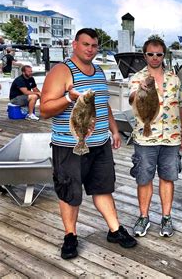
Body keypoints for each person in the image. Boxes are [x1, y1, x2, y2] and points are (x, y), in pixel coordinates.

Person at [40, 28, 136, 260]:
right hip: (69, 145)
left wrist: (114, 131)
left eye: (94, 46)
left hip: (99, 143)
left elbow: (104, 106)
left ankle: (114, 229)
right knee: (69, 192)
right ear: (75, 44)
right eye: (86, 45)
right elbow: (44, 110)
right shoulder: (62, 71)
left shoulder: (99, 71)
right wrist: (68, 98)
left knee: (103, 188)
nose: (90, 49)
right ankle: (70, 235)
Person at [128, 37, 182, 238]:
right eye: (150, 54)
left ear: (164, 55)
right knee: (144, 179)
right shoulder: (136, 78)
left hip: (171, 137)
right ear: (144, 55)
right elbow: (131, 99)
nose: (155, 57)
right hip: (145, 138)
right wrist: (141, 91)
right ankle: (143, 216)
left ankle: (166, 217)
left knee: (167, 178)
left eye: (159, 54)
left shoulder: (174, 79)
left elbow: (180, 107)